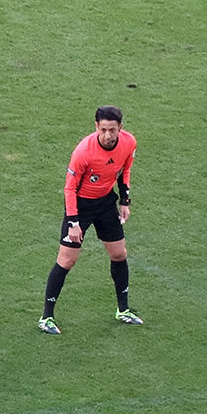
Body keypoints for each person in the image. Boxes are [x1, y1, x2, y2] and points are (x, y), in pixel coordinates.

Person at [39, 106, 142, 334]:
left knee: (119, 254)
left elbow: (125, 169)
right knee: (67, 260)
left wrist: (125, 201)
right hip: (80, 206)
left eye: (112, 130)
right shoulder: (84, 152)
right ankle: (46, 317)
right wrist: (74, 223)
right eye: (103, 130)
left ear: (120, 128)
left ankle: (123, 310)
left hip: (105, 203)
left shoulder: (129, 142)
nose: (107, 135)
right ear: (96, 127)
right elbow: (69, 188)